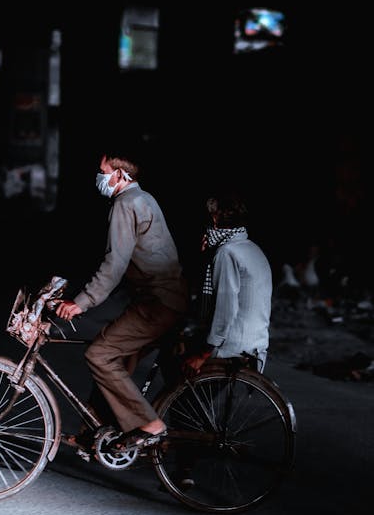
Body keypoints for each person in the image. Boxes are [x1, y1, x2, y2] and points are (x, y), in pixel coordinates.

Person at [55, 153, 188, 451]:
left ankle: (150, 424)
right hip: (166, 300)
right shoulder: (145, 198)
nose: (99, 176)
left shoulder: (125, 204)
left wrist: (81, 302)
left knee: (99, 355)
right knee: (119, 360)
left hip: (157, 305)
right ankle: (95, 432)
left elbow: (114, 264)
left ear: (119, 175)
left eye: (103, 171)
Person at [182, 192, 273, 377]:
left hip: (233, 344)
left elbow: (225, 310)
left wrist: (204, 354)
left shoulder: (226, 253)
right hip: (256, 342)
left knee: (177, 356)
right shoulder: (251, 247)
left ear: (215, 219)